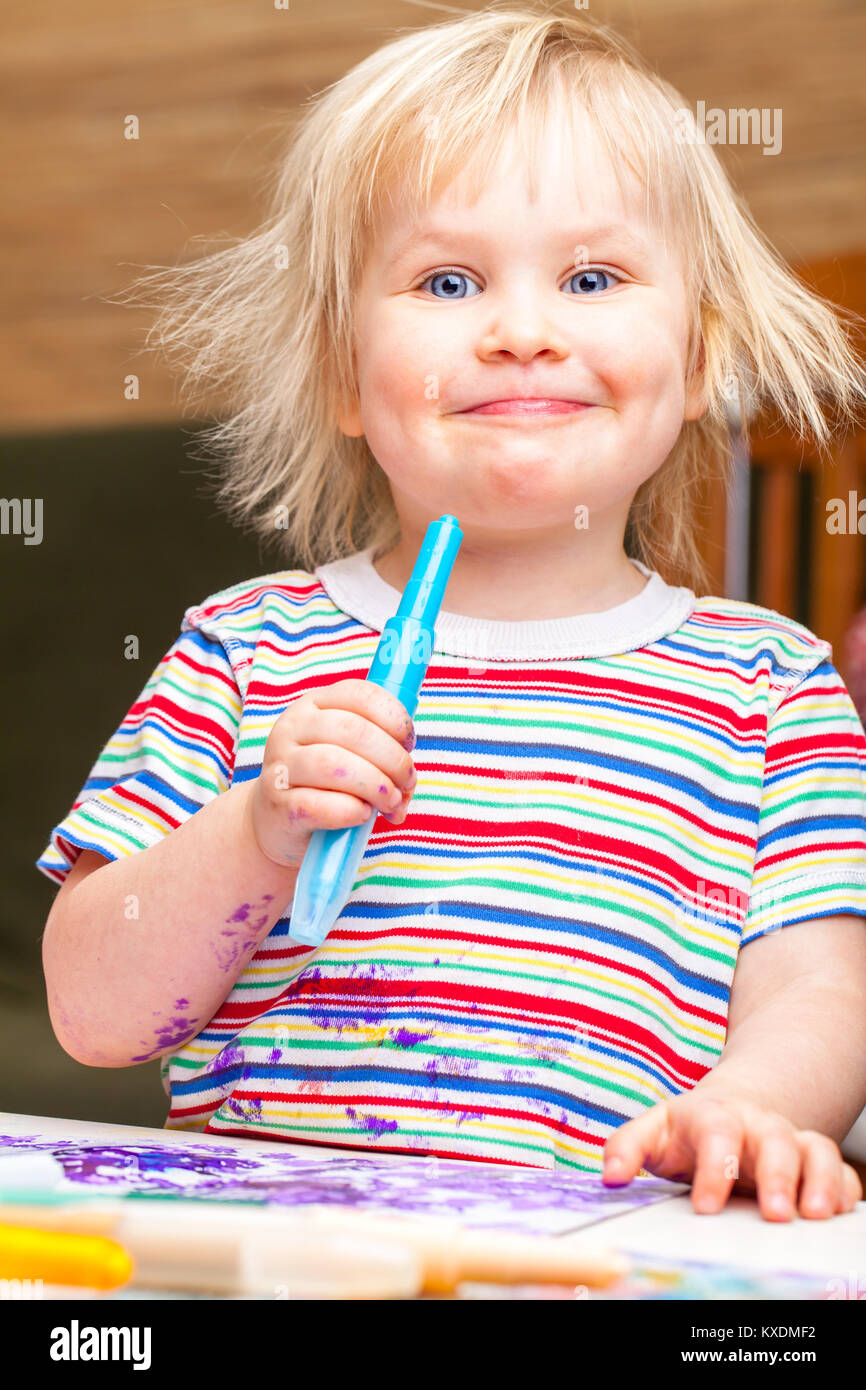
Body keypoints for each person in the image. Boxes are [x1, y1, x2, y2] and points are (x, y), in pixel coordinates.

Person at [38, 7, 866, 1222]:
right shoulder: (242, 648)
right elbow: (93, 1016)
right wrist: (256, 831)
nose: (521, 330)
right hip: (263, 1256)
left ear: (695, 360)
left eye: (590, 277)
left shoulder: (771, 687)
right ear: (341, 372)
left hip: (596, 1255)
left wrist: (753, 1104)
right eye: (445, 280)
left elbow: (820, 990)